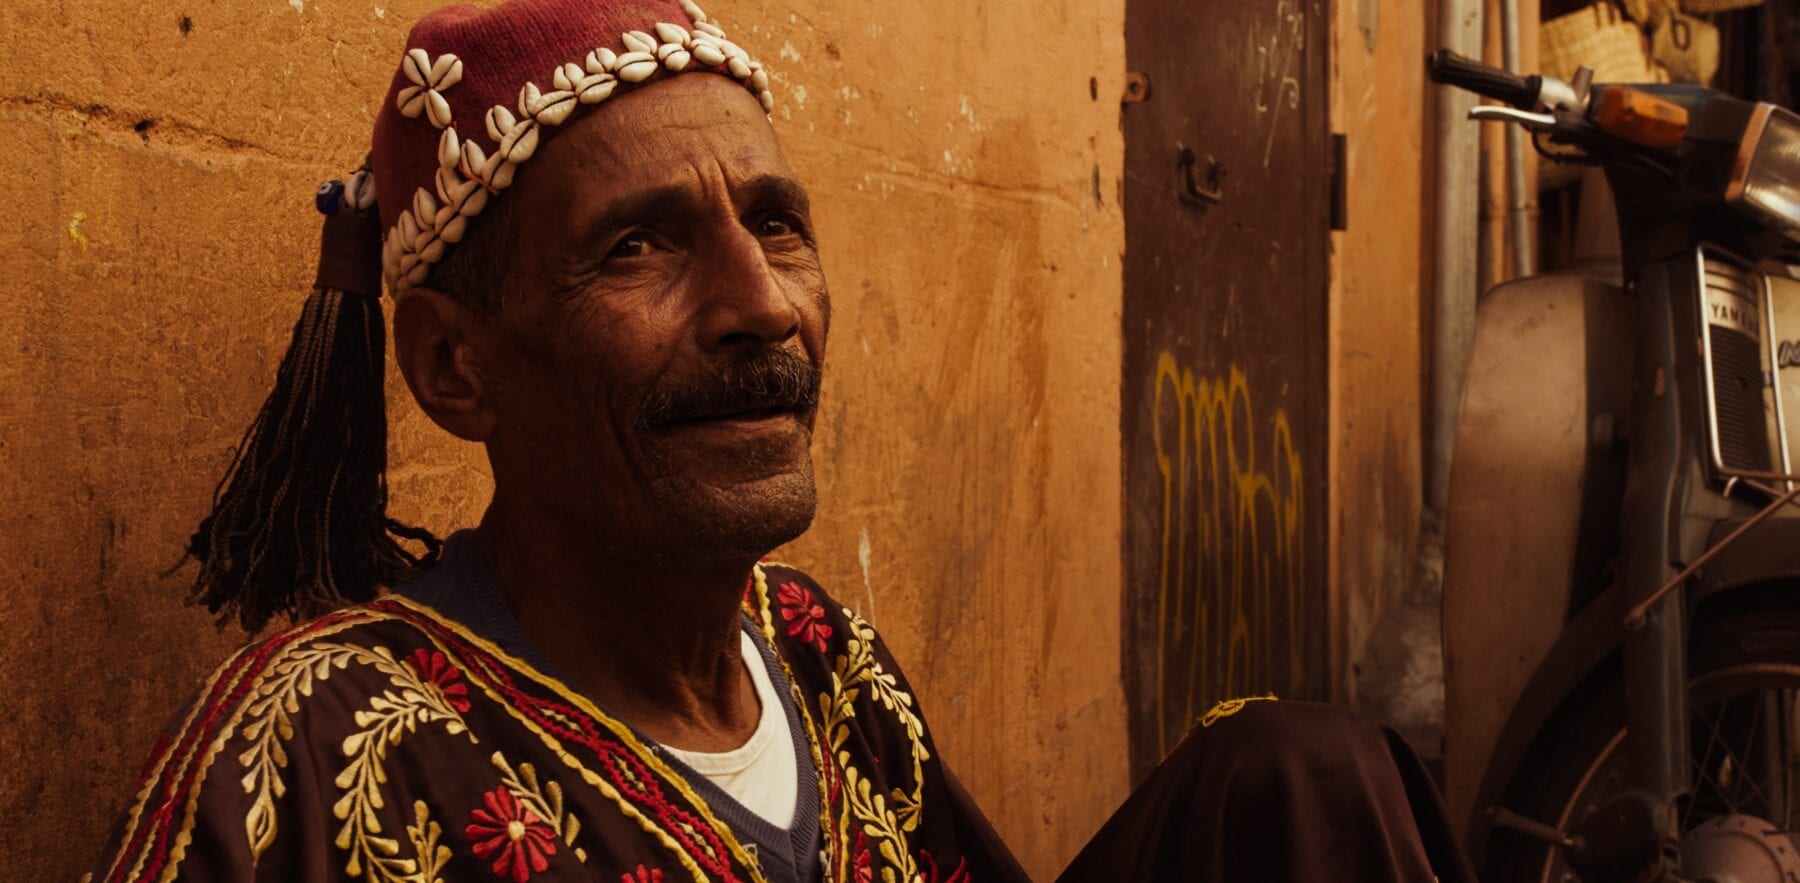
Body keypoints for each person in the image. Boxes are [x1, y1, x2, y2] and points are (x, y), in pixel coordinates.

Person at [84, 1, 1477, 880]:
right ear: (457, 365)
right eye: (639, 247)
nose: (762, 306)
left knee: (1297, 779)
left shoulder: (820, 657)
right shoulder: (330, 757)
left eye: (778, 223)